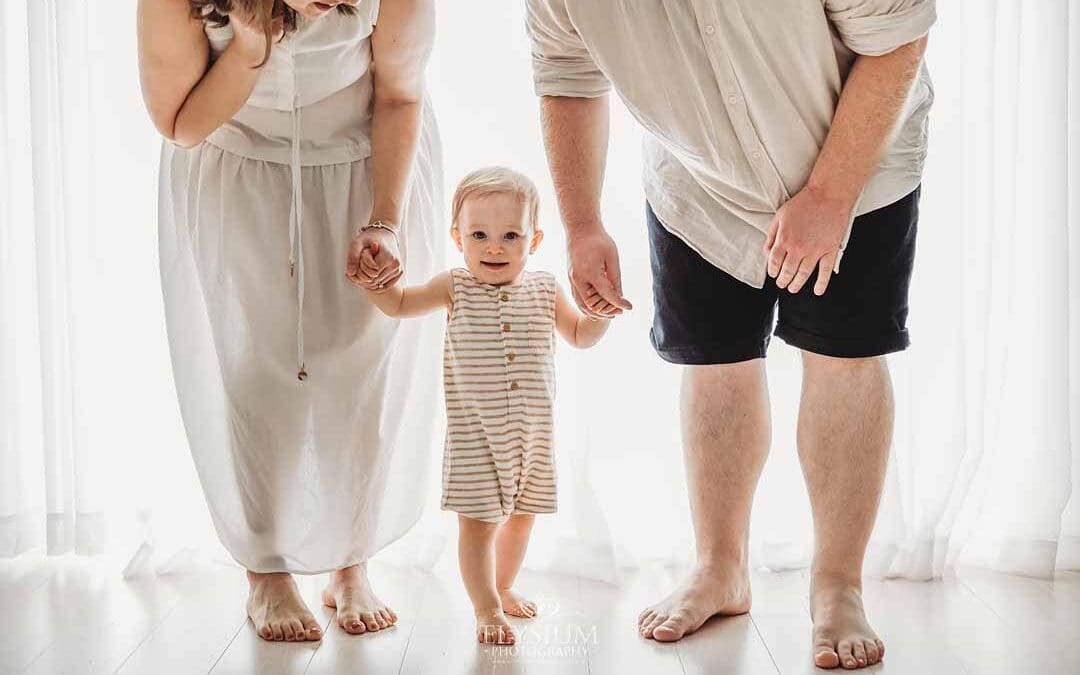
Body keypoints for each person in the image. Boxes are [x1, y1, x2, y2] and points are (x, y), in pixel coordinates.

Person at [525, 0, 936, 669]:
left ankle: (838, 584)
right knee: (714, 359)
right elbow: (566, 75)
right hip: (699, 179)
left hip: (857, 155)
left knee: (843, 355)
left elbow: (898, 40)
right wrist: (581, 222)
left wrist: (830, 196)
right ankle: (720, 568)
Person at [137, 0, 442, 641]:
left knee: (361, 367)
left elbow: (400, 96)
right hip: (234, 162)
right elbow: (179, 123)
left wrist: (385, 218)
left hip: (367, 161)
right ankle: (265, 570)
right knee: (254, 373)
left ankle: (349, 562)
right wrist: (250, 45)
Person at [358, 167, 611, 645]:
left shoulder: (544, 288)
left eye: (510, 235)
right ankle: (485, 607)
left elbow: (579, 335)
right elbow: (399, 304)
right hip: (476, 437)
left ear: (533, 241)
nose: (494, 247)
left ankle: (505, 584)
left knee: (520, 520)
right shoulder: (454, 286)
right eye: (480, 234)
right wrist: (376, 283)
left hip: (533, 438)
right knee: (478, 528)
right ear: (458, 238)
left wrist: (599, 314)